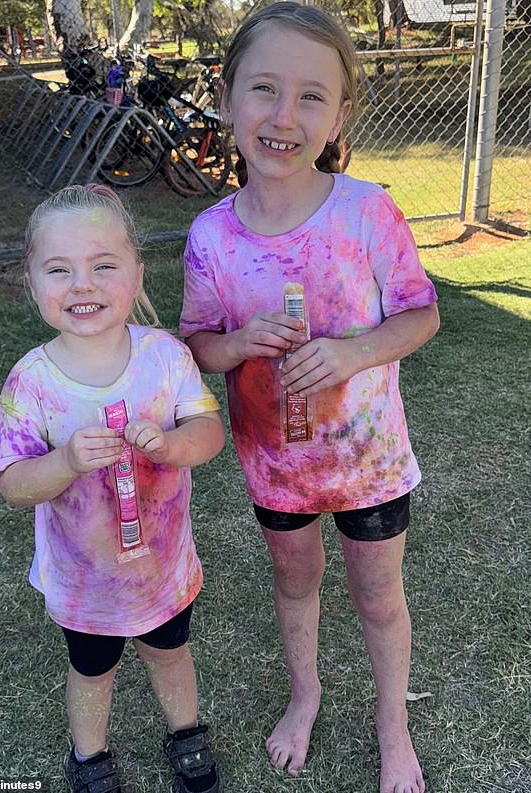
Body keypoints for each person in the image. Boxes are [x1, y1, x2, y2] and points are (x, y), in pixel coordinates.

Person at [179, 3, 440, 792]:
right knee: (294, 580)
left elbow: (421, 313)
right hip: (278, 468)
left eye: (311, 96)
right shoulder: (211, 236)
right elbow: (198, 342)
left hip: (370, 464)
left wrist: (352, 353)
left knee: (377, 593)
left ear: (340, 114)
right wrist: (238, 344)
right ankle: (307, 693)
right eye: (263, 89)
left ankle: (392, 728)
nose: (283, 116)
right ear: (227, 100)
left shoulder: (368, 210)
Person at [0, 184, 225, 793]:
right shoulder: (31, 383)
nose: (82, 285)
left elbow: (208, 431)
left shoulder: (166, 357)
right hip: (84, 580)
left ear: (137, 273)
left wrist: (173, 446)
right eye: (59, 269)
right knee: (92, 669)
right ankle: (90, 755)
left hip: (162, 568)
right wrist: (65, 460)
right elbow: (14, 485)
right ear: (32, 282)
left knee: (170, 652)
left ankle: (186, 731)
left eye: (103, 266)